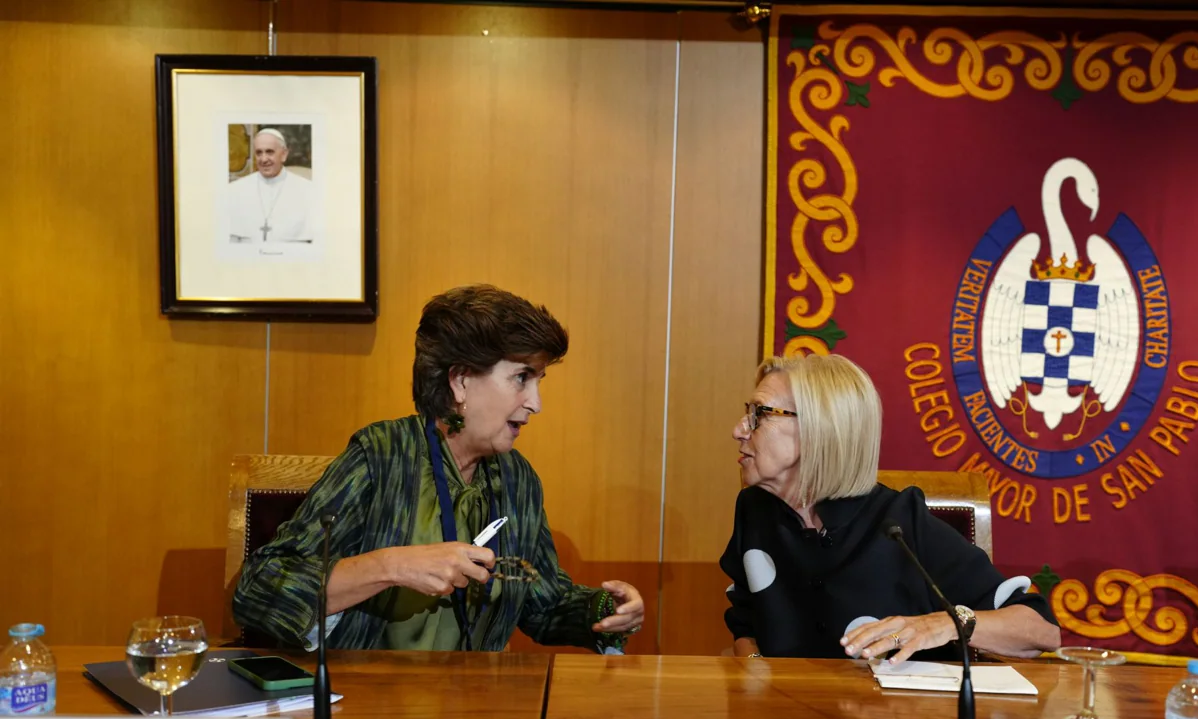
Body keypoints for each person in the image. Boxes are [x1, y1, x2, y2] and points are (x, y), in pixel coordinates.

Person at [233, 285, 644, 652]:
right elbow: (259, 589)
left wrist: (606, 609)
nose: (536, 403)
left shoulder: (517, 479)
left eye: (539, 380)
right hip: (366, 705)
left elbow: (543, 604)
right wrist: (392, 566)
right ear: (461, 381)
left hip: (473, 710)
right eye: (522, 378)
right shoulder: (381, 456)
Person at [720, 353, 1060, 662]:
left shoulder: (899, 521)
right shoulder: (755, 509)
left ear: (821, 429)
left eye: (758, 415)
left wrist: (944, 624)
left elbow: (1041, 630)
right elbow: (745, 622)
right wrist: (754, 670)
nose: (738, 429)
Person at [228, 128, 314, 244]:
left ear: (284, 154)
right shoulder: (235, 190)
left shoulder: (308, 190)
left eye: (269, 152)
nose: (263, 159)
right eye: (259, 153)